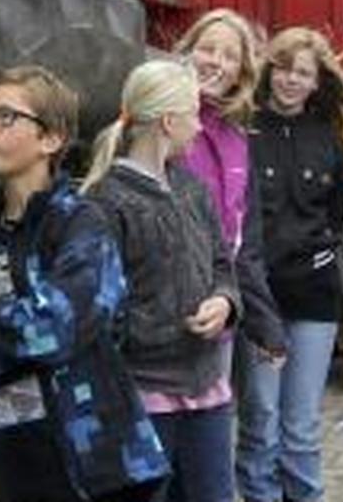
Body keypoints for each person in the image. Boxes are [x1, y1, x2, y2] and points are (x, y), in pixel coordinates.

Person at [0, 65, 170, 502]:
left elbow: (55, 327)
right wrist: (24, 340)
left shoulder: (81, 225)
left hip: (86, 468)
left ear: (50, 140)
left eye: (5, 117)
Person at [84, 59, 244, 502]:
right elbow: (100, 312)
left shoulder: (193, 189)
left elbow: (222, 265)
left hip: (207, 392)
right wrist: (167, 330)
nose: (199, 126)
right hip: (143, 398)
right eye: (193, 114)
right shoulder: (107, 204)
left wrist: (225, 303)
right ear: (170, 122)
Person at [239, 26, 343, 502]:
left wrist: (316, 254)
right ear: (269, 72)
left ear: (317, 83)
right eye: (284, 68)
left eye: (303, 73)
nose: (291, 80)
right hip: (260, 298)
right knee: (261, 421)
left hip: (313, 296)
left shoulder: (328, 139)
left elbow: (334, 215)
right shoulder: (244, 130)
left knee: (302, 425)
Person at [172, 12, 286, 416]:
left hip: (220, 317)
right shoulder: (166, 124)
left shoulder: (239, 135)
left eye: (230, 55)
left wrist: (262, 321)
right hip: (167, 324)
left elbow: (243, 243)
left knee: (211, 437)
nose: (216, 62)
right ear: (186, 53)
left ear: (243, 70)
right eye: (207, 49)